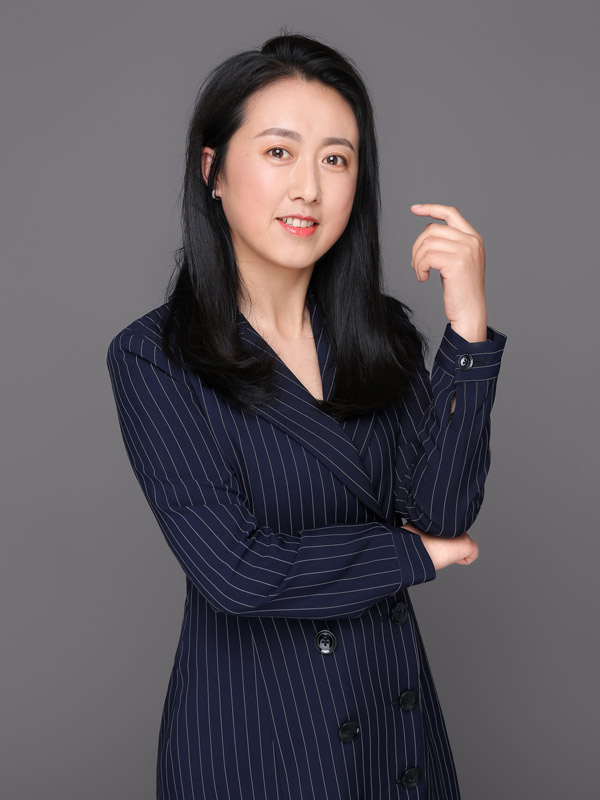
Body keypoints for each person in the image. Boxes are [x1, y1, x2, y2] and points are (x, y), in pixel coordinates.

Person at [107, 32, 506, 800]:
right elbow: (237, 572)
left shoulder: (381, 335)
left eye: (337, 159)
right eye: (279, 152)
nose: (310, 189)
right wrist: (409, 556)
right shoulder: (156, 356)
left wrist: (468, 333)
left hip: (396, 732)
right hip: (259, 746)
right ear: (212, 171)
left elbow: (442, 511)